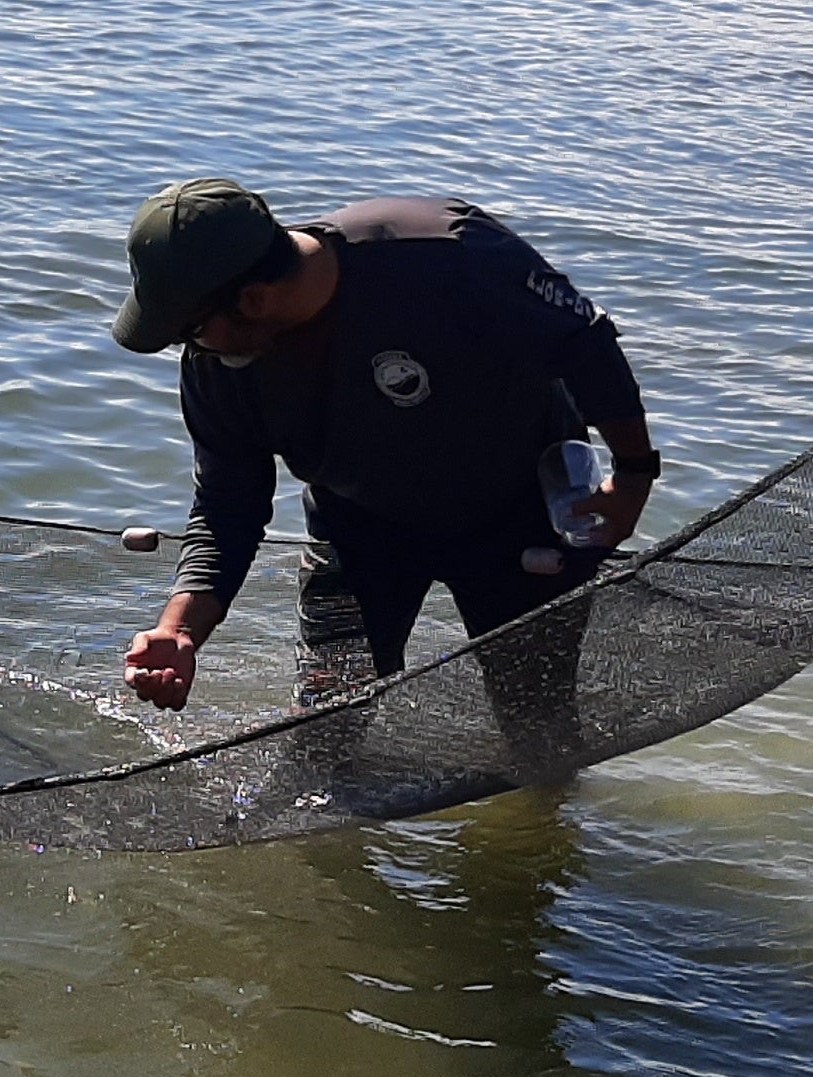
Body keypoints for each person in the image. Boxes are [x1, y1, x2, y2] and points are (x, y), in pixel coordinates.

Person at [109, 179, 661, 722]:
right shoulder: (219, 368)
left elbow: (584, 342)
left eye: (193, 330)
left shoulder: (449, 256)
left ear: (253, 299)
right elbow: (228, 505)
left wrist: (633, 476)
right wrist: (178, 630)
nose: (190, 349)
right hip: (358, 525)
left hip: (521, 514)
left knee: (537, 723)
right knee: (325, 723)